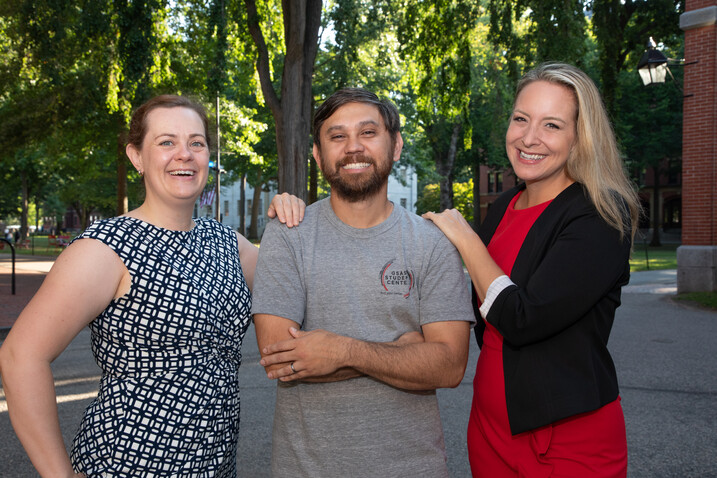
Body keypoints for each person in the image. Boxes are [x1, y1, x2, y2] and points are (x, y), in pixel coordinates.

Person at [0, 94, 304, 477]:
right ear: (137, 157)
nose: (184, 154)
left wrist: (290, 224)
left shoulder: (229, 244)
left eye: (197, 142)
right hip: (127, 463)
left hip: (215, 465)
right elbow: (20, 356)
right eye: (166, 142)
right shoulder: (106, 247)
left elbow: (301, 299)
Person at [423, 63, 640, 477]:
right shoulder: (504, 205)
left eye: (552, 125)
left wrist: (466, 239)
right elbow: (480, 315)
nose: (528, 138)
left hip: (567, 438)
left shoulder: (600, 215)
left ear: (580, 138)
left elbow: (522, 317)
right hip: (490, 428)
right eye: (521, 119)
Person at [251, 87, 475, 477]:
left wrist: (340, 350)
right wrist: (402, 352)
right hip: (305, 469)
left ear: (397, 145)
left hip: (414, 468)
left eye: (368, 133)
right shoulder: (288, 234)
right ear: (319, 156)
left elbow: (449, 366)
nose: (353, 148)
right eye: (337, 137)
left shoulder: (433, 241)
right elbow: (280, 356)